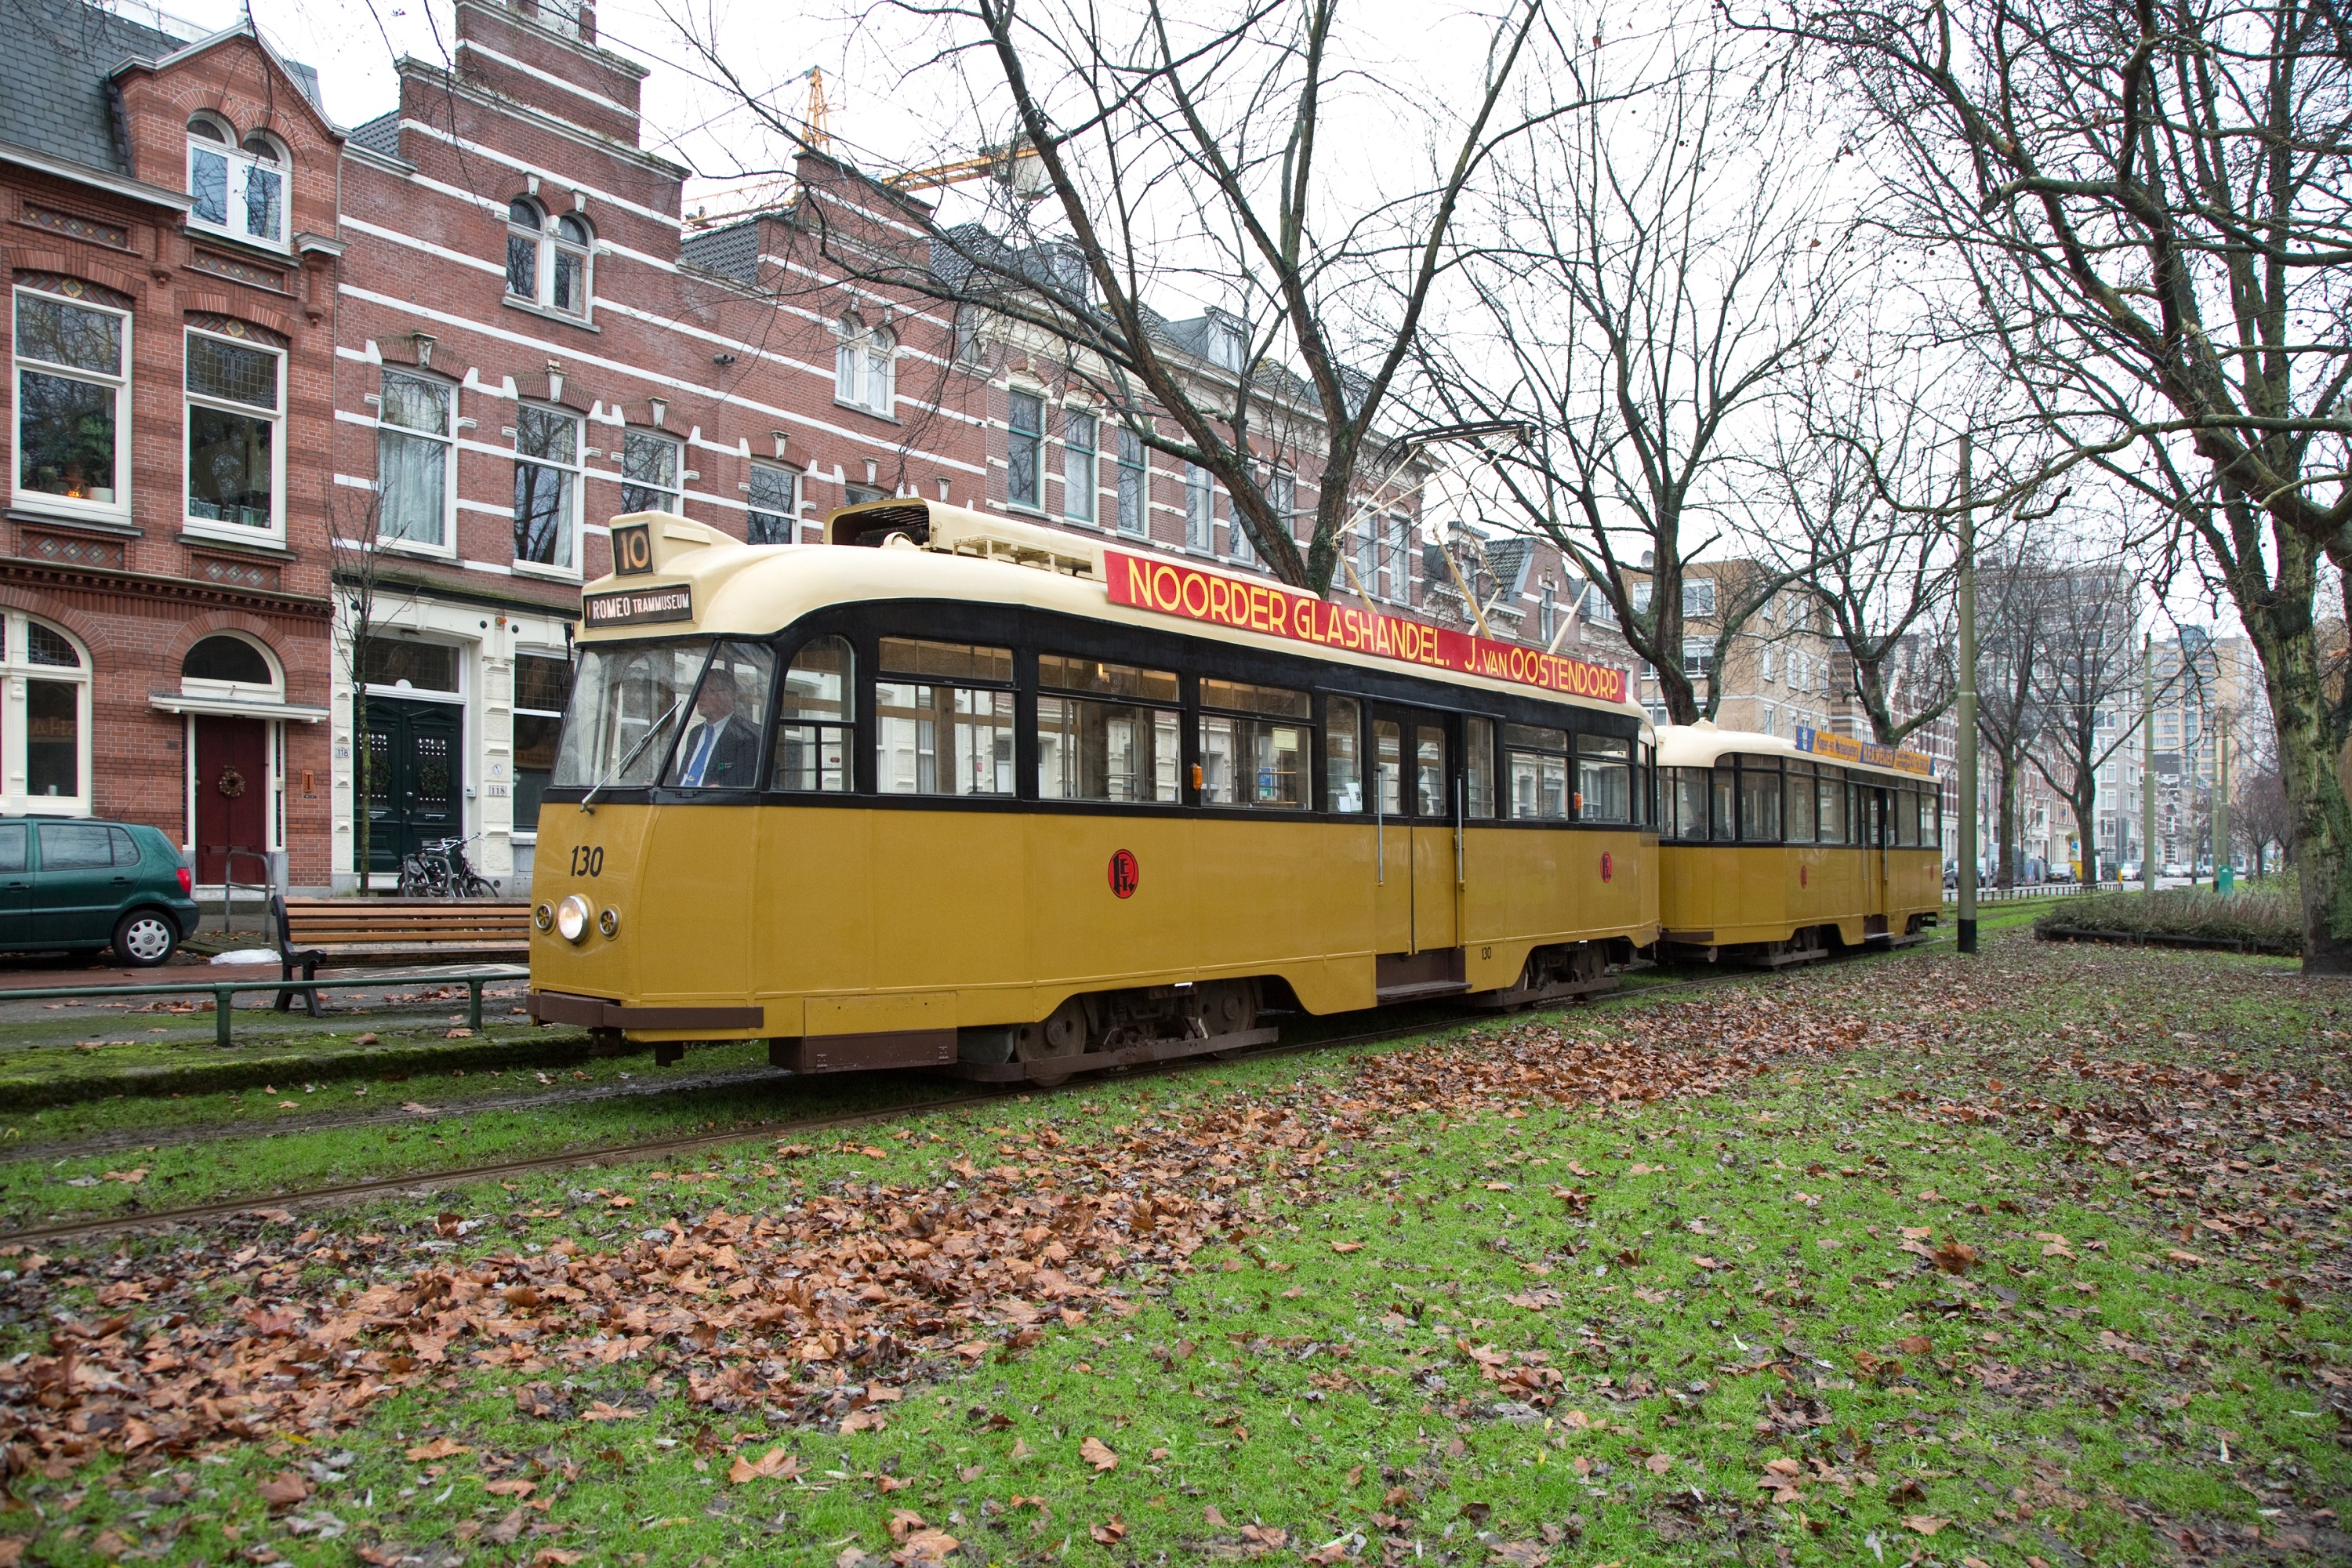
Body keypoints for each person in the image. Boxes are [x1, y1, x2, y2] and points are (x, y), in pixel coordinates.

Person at [673, 666, 760, 787]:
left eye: (708, 691)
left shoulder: (749, 735)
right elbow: (684, 777)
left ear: (729, 695)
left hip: (714, 803)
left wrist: (722, 789)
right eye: (699, 691)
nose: (700, 697)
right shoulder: (695, 733)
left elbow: (746, 781)